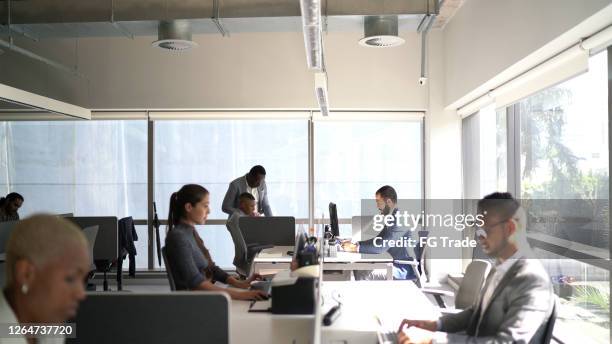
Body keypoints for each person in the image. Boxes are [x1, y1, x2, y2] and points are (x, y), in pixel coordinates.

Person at [397, 192, 554, 344]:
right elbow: (475, 313)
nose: (479, 236)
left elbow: (509, 342)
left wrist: (432, 340)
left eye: (485, 229)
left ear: (510, 228)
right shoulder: (500, 267)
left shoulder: (532, 280)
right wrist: (435, 325)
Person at [164, 184, 267, 300]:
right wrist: (241, 295)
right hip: (194, 303)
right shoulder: (178, 237)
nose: (209, 211)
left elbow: (211, 268)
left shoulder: (190, 232)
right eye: (205, 206)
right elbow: (195, 282)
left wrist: (240, 284)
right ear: (189, 207)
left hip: (204, 298)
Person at [1, 214, 90, 344]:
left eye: (82, 280)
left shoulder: (50, 328)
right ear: (26, 274)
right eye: (70, 278)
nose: (81, 294)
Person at [341, 185, 415, 280]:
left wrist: (355, 248)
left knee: (362, 272)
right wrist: (356, 244)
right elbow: (378, 240)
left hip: (403, 269)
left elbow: (380, 247)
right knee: (358, 266)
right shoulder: (392, 216)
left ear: (388, 202)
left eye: (378, 202)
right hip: (394, 262)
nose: (377, 206)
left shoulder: (399, 220)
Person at [226, 193, 258, 277]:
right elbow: (241, 243)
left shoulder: (241, 216)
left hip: (245, 258)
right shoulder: (237, 218)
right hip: (244, 259)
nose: (254, 208)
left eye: (254, 206)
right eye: (251, 206)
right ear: (242, 205)